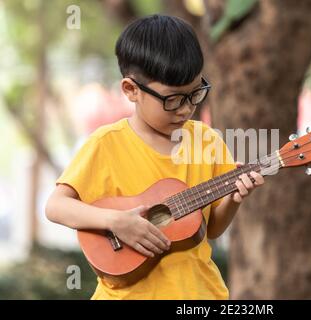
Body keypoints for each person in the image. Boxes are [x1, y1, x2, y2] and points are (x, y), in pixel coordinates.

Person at [45, 14, 264, 300]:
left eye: (195, 94)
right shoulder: (107, 144)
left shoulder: (206, 140)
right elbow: (56, 207)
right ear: (131, 90)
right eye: (172, 99)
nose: (186, 109)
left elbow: (211, 229)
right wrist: (115, 221)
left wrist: (235, 199)